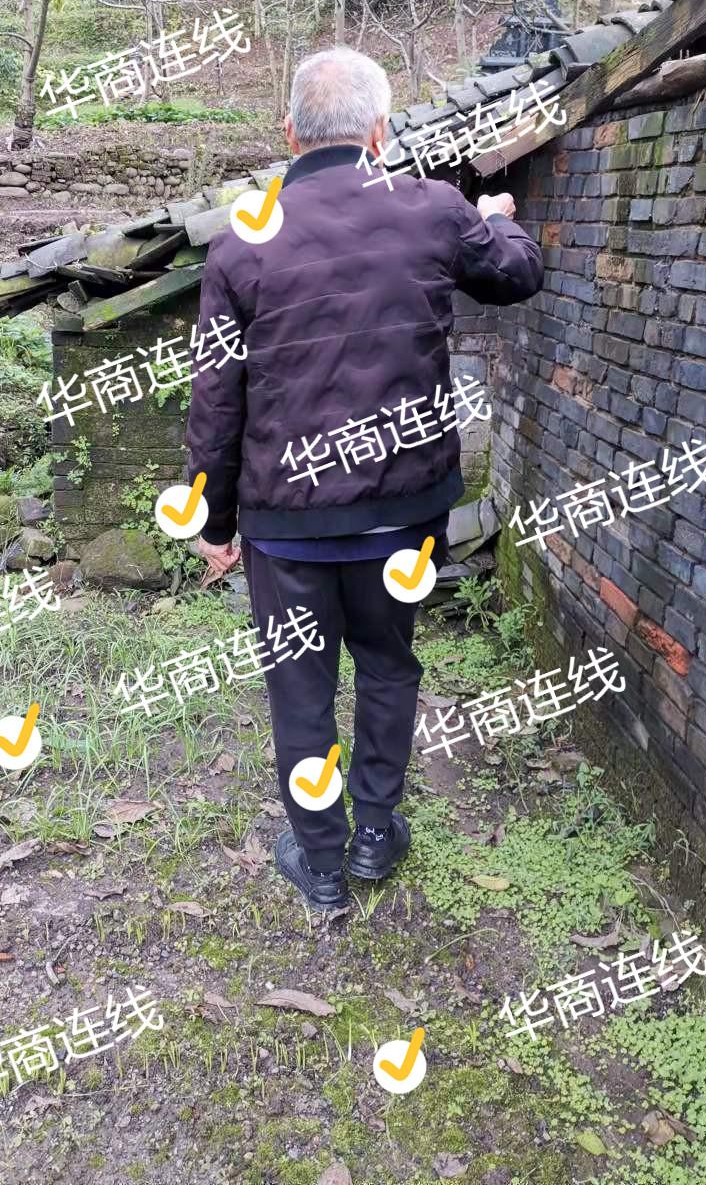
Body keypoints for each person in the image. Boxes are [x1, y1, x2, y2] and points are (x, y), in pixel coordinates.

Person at [185, 46, 544, 910]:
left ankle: (320, 864)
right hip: (403, 514)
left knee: (300, 687)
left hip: (287, 524)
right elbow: (518, 274)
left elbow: (217, 399)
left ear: (289, 133)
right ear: (379, 132)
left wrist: (215, 521)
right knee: (387, 662)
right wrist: (496, 218)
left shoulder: (241, 242)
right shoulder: (433, 210)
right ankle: (376, 833)